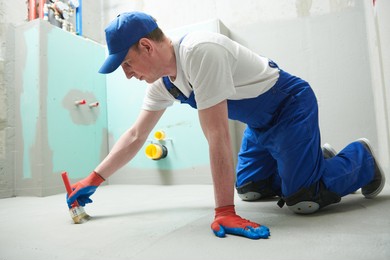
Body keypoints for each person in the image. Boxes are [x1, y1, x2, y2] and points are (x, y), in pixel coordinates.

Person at [67, 11, 385, 240]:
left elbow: (217, 135)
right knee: (249, 188)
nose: (127, 74)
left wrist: (223, 211)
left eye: (126, 64)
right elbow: (137, 135)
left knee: (304, 198)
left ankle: (361, 160)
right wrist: (94, 178)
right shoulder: (163, 84)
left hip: (290, 106)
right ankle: (312, 162)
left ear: (147, 47)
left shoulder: (200, 52)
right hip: (259, 125)